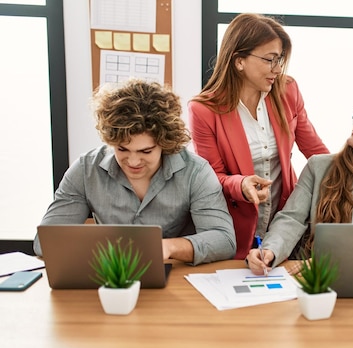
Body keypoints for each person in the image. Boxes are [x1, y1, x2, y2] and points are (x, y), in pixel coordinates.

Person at [33, 79, 236, 265]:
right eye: (122, 149)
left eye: (145, 151)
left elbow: (224, 240)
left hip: (175, 281)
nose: (133, 161)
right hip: (109, 278)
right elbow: (44, 242)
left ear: (164, 144)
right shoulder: (86, 170)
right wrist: (106, 249)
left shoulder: (196, 171)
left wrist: (168, 247)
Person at [188, 13, 330, 259]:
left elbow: (316, 152)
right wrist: (241, 184)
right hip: (232, 228)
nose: (277, 69)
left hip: (283, 223)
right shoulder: (203, 110)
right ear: (239, 60)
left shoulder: (288, 91)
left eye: (280, 60)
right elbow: (211, 178)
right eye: (269, 60)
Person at [246, 97, 353, 275]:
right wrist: (270, 250)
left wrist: (331, 261)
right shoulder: (318, 167)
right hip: (315, 281)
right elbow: (291, 219)